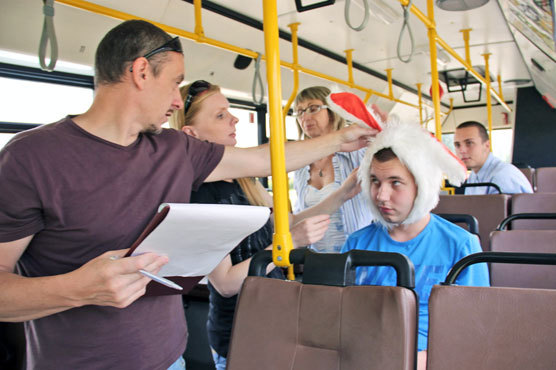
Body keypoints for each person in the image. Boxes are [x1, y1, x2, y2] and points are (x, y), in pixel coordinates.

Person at [0, 20, 377, 370]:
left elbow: (263, 160)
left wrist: (342, 139)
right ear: (141, 72)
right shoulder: (30, 158)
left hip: (170, 358)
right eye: (174, 82)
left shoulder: (174, 149)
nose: (178, 101)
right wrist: (76, 289)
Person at [169, 81, 362, 370]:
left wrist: (342, 194)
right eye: (220, 115)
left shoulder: (245, 179)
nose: (233, 119)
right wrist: (289, 243)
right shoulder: (197, 193)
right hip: (240, 327)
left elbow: (288, 223)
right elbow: (225, 283)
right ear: (191, 134)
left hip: (278, 313)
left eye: (230, 112)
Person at [340, 116, 490, 369]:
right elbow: (340, 315)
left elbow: (474, 328)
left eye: (395, 183)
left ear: (422, 186)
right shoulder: (356, 244)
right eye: (375, 181)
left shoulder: (461, 246)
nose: (381, 196)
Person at [293, 86, 380, 253]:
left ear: (332, 112)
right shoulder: (301, 166)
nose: (305, 117)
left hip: (360, 254)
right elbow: (301, 212)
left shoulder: (359, 154)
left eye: (313, 109)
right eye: (300, 112)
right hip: (317, 257)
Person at [454, 121, 533, 194]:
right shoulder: (473, 176)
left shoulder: (502, 176)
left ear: (487, 145)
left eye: (469, 143)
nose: (462, 150)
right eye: (457, 145)